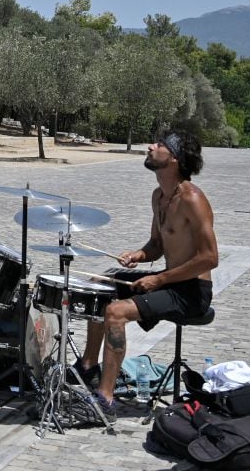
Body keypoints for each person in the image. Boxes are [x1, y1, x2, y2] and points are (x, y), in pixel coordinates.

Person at [72, 129, 219, 416]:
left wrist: (159, 279)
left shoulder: (193, 199)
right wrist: (139, 255)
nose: (151, 147)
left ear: (174, 158)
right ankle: (89, 367)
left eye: (160, 145)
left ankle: (105, 399)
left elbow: (210, 258)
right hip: (169, 281)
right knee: (97, 286)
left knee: (116, 312)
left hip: (191, 291)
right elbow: (156, 245)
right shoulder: (159, 196)